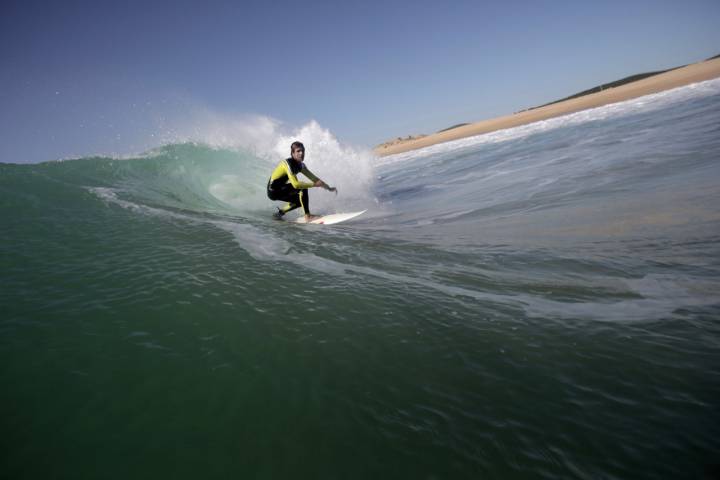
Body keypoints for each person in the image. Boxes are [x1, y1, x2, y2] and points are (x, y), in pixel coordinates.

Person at [266, 141, 337, 221]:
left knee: (300, 201)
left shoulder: (301, 165)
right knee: (302, 188)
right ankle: (308, 216)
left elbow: (315, 179)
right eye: (298, 151)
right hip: (273, 190)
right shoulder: (287, 164)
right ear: (292, 153)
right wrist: (314, 185)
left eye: (303, 151)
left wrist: (329, 188)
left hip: (281, 188)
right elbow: (296, 185)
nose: (301, 153)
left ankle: (279, 214)